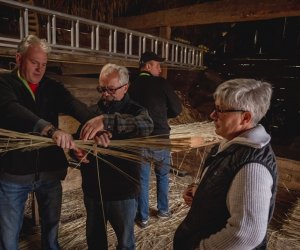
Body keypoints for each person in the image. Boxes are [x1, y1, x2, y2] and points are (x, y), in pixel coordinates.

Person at [0, 35, 97, 250]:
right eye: (34, 62)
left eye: (43, 64)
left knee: (52, 228)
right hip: (14, 172)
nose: (39, 69)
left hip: (49, 171)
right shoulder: (4, 83)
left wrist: (96, 121)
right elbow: (12, 110)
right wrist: (51, 129)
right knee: (8, 235)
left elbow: (73, 104)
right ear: (19, 58)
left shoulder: (51, 87)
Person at [173, 79, 278, 250]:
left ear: (245, 117)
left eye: (220, 110)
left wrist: (201, 248)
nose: (213, 115)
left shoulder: (252, 168)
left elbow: (247, 234)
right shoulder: (229, 145)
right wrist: (200, 193)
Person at [74, 63, 153, 250]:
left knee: (125, 243)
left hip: (122, 192)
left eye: (110, 89)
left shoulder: (136, 111)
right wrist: (77, 151)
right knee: (95, 242)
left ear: (125, 88)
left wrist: (107, 122)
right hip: (93, 191)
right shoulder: (92, 112)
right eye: (102, 89)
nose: (105, 94)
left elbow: (147, 125)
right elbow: (78, 139)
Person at [128, 51, 182, 228]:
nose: (160, 69)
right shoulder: (161, 84)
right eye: (157, 65)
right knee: (163, 175)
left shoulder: (132, 85)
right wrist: (164, 114)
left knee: (142, 180)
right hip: (160, 138)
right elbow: (177, 108)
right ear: (148, 66)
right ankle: (163, 211)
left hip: (140, 140)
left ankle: (143, 218)